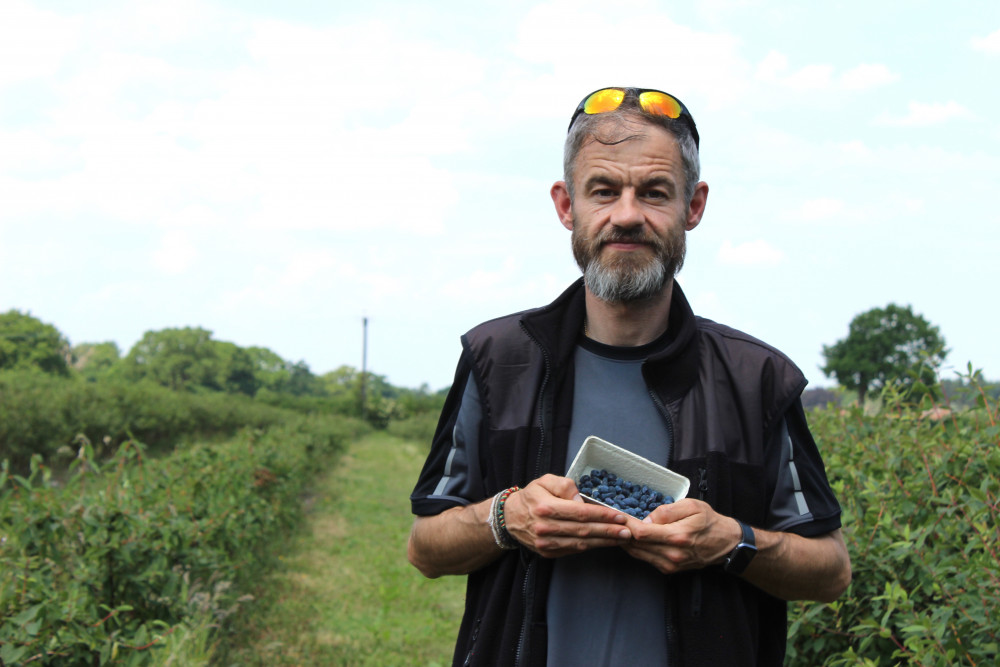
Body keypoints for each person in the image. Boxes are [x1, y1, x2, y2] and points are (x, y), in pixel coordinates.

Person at [407, 86, 851, 667]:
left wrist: (730, 542)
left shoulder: (757, 379)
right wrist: (506, 516)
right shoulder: (498, 360)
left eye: (655, 192)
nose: (627, 215)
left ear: (694, 207)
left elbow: (831, 570)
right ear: (568, 206)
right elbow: (425, 547)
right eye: (604, 191)